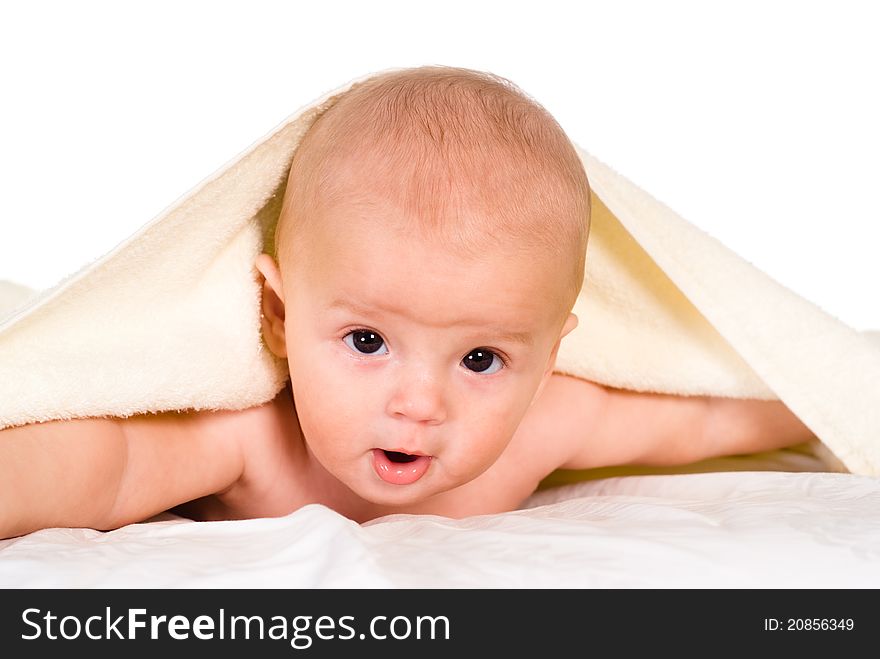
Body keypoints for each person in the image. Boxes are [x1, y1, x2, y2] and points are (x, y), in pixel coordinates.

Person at [0, 65, 817, 539]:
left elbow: (711, 415)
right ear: (280, 318)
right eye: (365, 341)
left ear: (551, 355)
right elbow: (106, 465)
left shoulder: (547, 421)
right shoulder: (253, 441)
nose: (419, 403)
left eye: (480, 358)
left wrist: (839, 396)